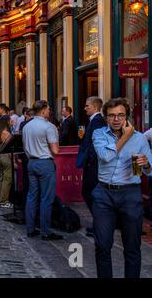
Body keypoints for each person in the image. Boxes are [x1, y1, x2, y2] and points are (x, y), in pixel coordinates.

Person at [92, 98, 152, 278]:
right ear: (106, 118)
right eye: (111, 116)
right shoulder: (99, 134)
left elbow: (150, 171)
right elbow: (105, 156)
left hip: (130, 194)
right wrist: (126, 136)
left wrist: (146, 164)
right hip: (104, 194)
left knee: (132, 247)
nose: (116, 119)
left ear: (127, 116)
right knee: (102, 246)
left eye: (120, 115)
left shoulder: (140, 138)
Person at [22, 100, 63, 241]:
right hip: (45, 162)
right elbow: (55, 150)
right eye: (49, 109)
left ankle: (30, 228)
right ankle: (45, 231)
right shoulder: (49, 126)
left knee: (32, 196)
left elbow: (25, 146)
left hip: (31, 162)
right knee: (46, 198)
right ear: (44, 110)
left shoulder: (27, 126)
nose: (50, 111)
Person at [75, 97, 105, 237]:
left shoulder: (98, 121)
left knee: (89, 192)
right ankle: (99, 222)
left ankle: (100, 223)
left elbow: (96, 143)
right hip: (91, 163)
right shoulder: (93, 120)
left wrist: (90, 160)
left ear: (94, 107)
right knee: (89, 192)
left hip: (94, 164)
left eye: (87, 106)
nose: (84, 108)